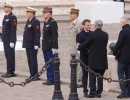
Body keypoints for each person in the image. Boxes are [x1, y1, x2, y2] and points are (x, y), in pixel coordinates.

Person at [77, 20, 108, 98]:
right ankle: (99, 93)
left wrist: (79, 46)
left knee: (92, 76)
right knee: (100, 77)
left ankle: (92, 92)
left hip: (93, 59)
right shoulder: (106, 34)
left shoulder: (92, 34)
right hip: (102, 59)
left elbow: (86, 43)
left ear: (95, 26)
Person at [113, 17, 130, 99]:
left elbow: (119, 44)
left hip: (123, 58)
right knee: (129, 75)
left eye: (120, 22)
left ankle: (124, 92)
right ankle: (129, 91)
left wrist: (114, 52)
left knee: (120, 74)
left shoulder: (123, 32)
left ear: (123, 23)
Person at [22, 7, 41, 81]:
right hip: (28, 44)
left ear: (32, 13)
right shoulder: (28, 21)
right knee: (29, 59)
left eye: (28, 12)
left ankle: (35, 75)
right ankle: (31, 74)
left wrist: (36, 43)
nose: (27, 13)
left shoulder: (35, 21)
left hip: (32, 44)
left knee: (33, 60)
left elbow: (37, 33)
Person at [42, 7, 58, 85]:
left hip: (50, 46)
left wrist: (54, 47)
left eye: (45, 13)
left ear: (49, 14)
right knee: (47, 63)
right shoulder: (46, 22)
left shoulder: (52, 22)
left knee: (51, 63)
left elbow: (55, 35)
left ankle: (52, 79)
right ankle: (49, 78)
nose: (43, 14)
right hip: (45, 46)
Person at [1, 1, 17, 78]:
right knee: (7, 55)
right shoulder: (5, 16)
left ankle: (11, 71)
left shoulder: (12, 17)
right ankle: (8, 71)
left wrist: (12, 40)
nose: (4, 8)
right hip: (5, 39)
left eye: (6, 7)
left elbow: (13, 30)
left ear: (10, 8)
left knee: (11, 55)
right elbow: (4, 28)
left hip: (10, 39)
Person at [76, 19, 92, 97]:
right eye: (87, 25)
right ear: (83, 26)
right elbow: (78, 47)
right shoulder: (79, 35)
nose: (89, 26)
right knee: (85, 74)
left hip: (92, 57)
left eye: (89, 25)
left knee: (92, 73)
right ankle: (85, 91)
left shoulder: (92, 33)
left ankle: (92, 90)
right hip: (84, 56)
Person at [69, 8, 82, 88]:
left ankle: (79, 81)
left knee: (78, 65)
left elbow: (80, 36)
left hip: (76, 48)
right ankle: (74, 80)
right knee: (72, 65)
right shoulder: (72, 23)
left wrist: (79, 48)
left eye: (71, 14)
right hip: (72, 48)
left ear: (76, 15)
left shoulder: (79, 23)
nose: (70, 15)